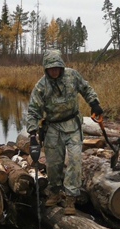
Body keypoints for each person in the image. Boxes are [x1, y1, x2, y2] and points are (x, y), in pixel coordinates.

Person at [26, 49, 103, 215]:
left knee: (75, 160)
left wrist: (94, 103)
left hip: (72, 125)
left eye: (57, 67)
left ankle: (70, 197)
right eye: (50, 68)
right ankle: (54, 192)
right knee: (53, 165)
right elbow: (33, 111)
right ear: (46, 69)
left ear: (61, 66)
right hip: (52, 128)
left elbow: (86, 88)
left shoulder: (72, 76)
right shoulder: (41, 86)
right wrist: (32, 134)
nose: (54, 71)